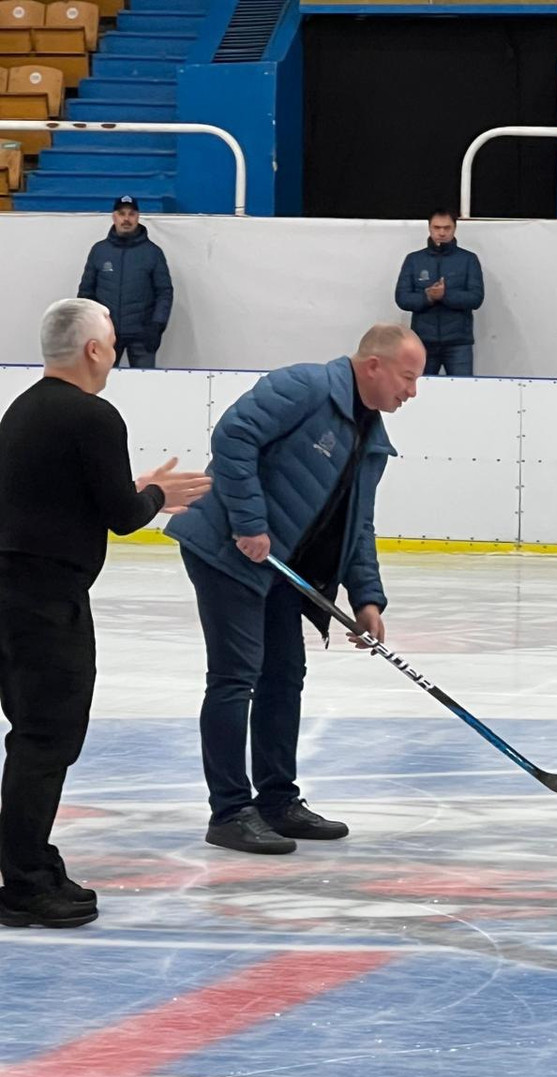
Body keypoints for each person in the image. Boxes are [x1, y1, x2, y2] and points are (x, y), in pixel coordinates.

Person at [166, 324, 426, 855]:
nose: (412, 391)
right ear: (373, 366)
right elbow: (233, 436)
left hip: (281, 568)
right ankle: (230, 812)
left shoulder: (371, 439)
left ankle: (277, 801)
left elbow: (357, 524)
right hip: (227, 551)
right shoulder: (305, 386)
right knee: (236, 677)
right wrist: (249, 523)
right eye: (407, 377)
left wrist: (367, 598)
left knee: (284, 676)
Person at [0, 299, 211, 929]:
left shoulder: (22, 410)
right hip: (46, 600)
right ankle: (24, 883)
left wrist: (136, 489)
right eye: (112, 342)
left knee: (32, 735)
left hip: (14, 592)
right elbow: (122, 516)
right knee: (47, 738)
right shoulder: (93, 415)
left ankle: (30, 863)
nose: (115, 353)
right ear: (93, 349)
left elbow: (64, 497)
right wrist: (156, 494)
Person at [78, 196, 173, 369]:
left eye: (131, 214)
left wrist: (157, 325)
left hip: (142, 336)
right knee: (101, 381)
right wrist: (90, 327)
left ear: (138, 217)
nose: (126, 219)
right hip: (106, 334)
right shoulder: (99, 251)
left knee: (144, 383)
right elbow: (86, 294)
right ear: (114, 216)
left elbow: (164, 292)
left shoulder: (153, 253)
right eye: (122, 214)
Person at [394, 210, 484, 377]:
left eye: (447, 228)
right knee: (420, 390)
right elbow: (402, 298)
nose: (442, 233)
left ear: (454, 228)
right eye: (437, 228)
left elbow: (476, 298)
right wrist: (427, 297)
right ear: (429, 228)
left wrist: (445, 295)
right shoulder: (414, 260)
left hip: (459, 343)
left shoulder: (469, 259)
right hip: (422, 342)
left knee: (462, 390)